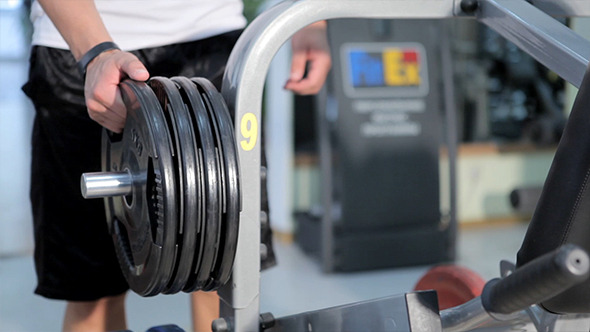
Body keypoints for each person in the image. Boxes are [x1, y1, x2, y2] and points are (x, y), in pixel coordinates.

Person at [21, 0, 331, 331]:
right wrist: (96, 52)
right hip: (79, 43)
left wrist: (310, 21)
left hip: (209, 38)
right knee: (91, 293)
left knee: (219, 275)